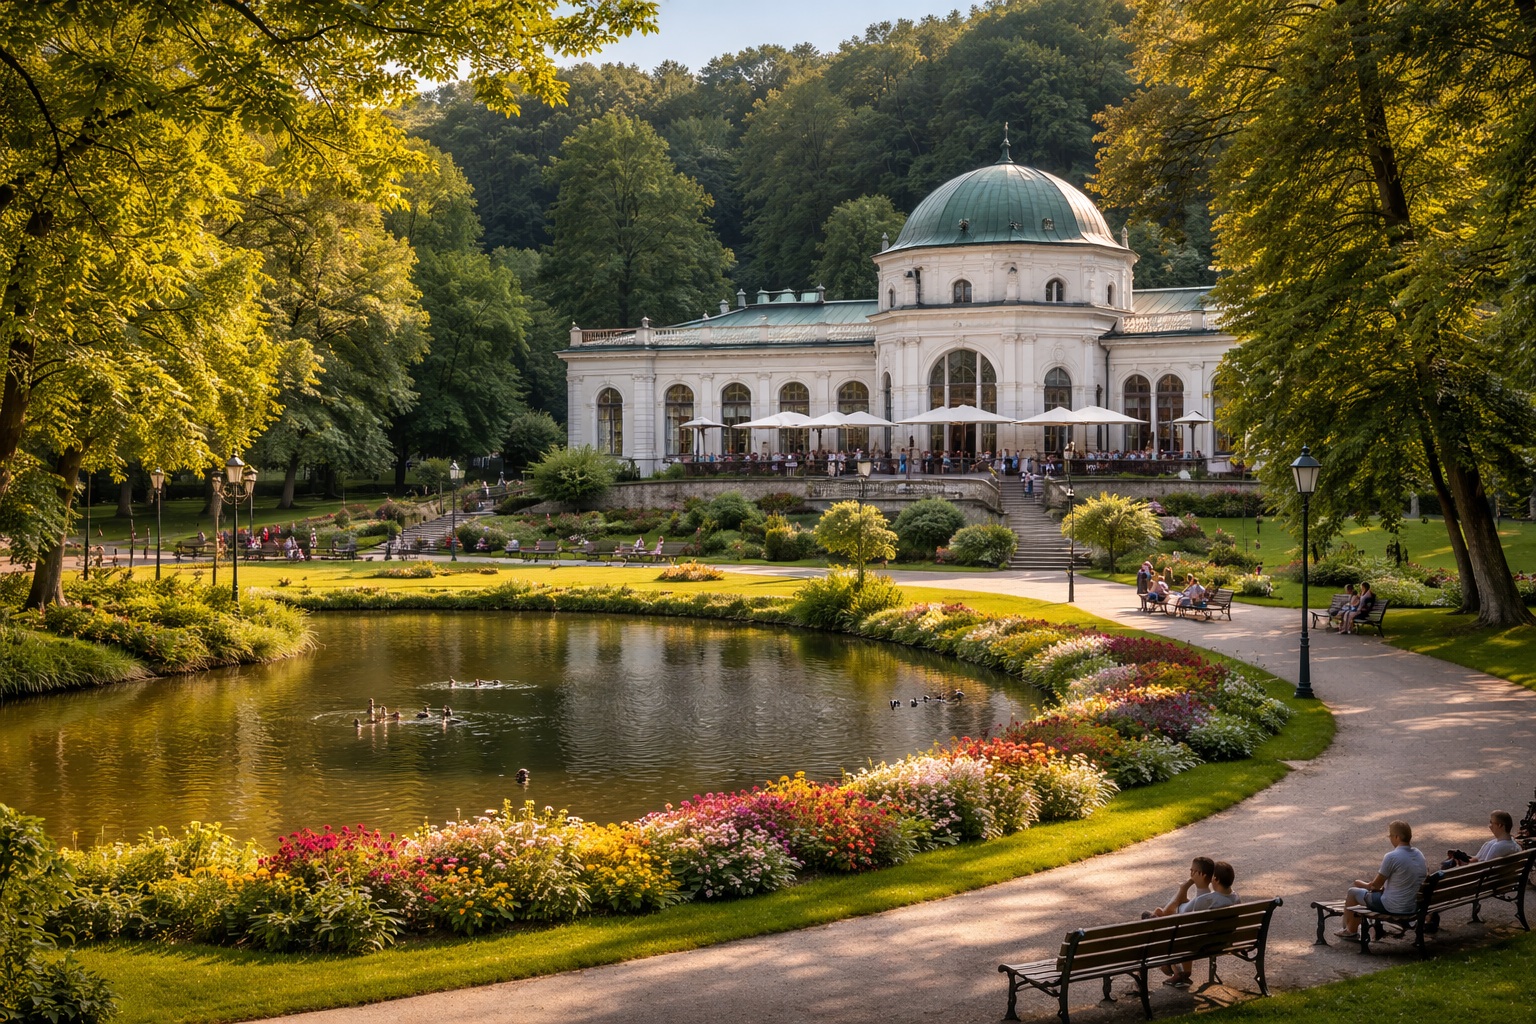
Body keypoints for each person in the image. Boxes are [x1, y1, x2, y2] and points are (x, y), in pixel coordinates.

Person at [1337, 820, 1427, 941]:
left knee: (1353, 892)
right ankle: (1356, 929)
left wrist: (1362, 884)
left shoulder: (1392, 857)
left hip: (1392, 906)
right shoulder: (1419, 854)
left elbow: (1375, 886)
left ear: (1397, 837)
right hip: (1412, 905)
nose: (1390, 839)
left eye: (1390, 836)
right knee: (1368, 893)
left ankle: (1350, 931)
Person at [1444, 810, 1521, 868]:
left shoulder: (1496, 846)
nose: (1490, 826)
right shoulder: (1515, 846)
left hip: (1486, 882)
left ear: (1500, 825)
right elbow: (1478, 859)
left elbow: (1483, 868)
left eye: (1491, 822)